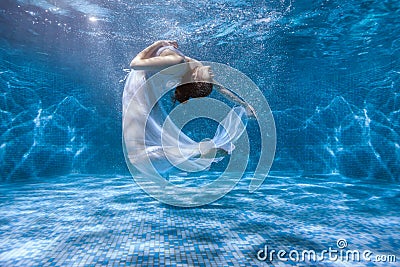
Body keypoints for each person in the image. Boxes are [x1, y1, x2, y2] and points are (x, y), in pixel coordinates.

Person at [122, 40, 254, 177]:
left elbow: (134, 64)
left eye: (208, 80)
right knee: (142, 152)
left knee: (138, 156)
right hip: (145, 90)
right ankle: (193, 153)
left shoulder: (178, 61)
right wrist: (244, 104)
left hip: (140, 92)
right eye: (210, 80)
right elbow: (220, 87)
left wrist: (158, 43)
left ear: (195, 78)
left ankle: (195, 152)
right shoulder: (192, 65)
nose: (213, 77)